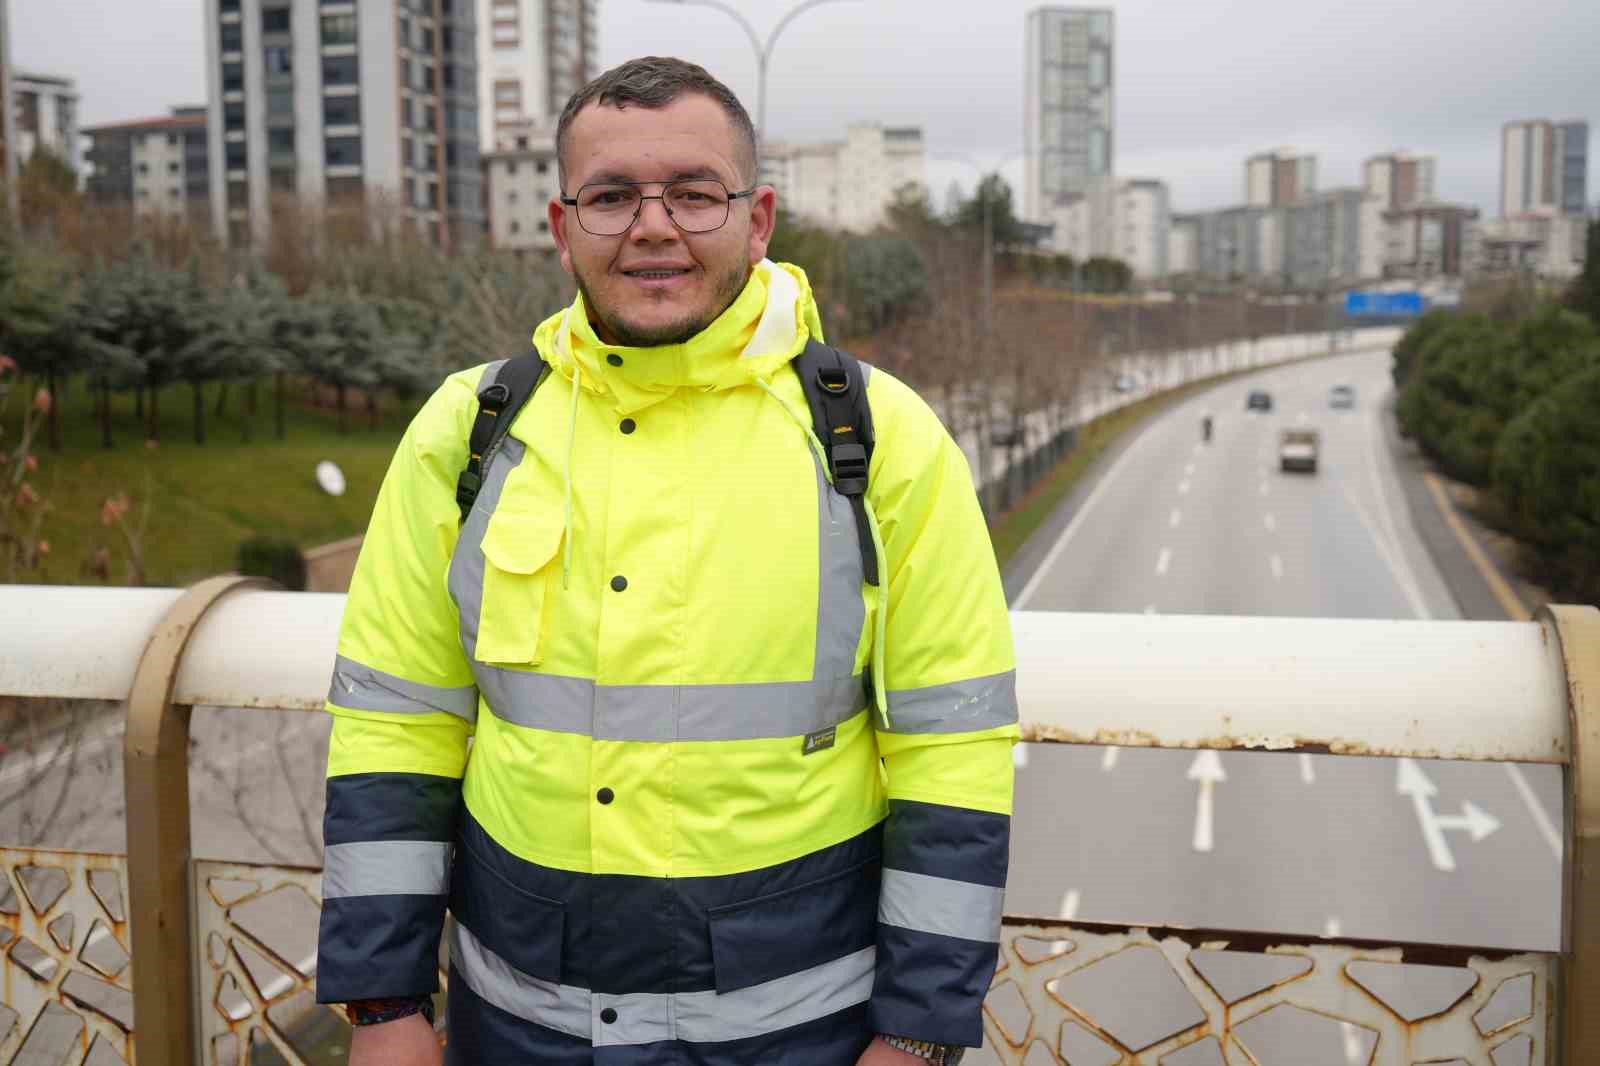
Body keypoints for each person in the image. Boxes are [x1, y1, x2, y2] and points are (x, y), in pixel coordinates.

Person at [317, 56, 1017, 1066]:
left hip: (797, 1039)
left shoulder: (880, 439)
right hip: (517, 1032)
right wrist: (383, 1006)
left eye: (694, 194)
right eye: (610, 197)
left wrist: (918, 1034)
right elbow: (396, 724)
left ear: (758, 218)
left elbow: (952, 751)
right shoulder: (468, 433)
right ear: (562, 228)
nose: (653, 226)